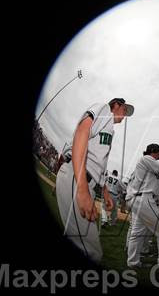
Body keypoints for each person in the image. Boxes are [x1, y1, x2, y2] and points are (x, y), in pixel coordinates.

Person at [55, 98, 134, 263]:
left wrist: (104, 192)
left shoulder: (109, 128)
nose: (125, 114)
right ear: (116, 105)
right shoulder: (104, 109)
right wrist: (82, 189)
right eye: (124, 109)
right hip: (78, 177)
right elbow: (82, 131)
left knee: (83, 245)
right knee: (90, 252)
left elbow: (99, 164)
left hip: (83, 179)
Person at [125, 143, 159, 268]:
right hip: (144, 199)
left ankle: (133, 262)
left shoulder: (145, 161)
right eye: (158, 153)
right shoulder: (147, 158)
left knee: (137, 233)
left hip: (138, 199)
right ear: (153, 152)